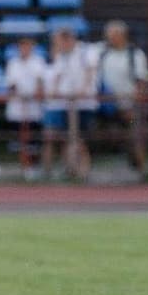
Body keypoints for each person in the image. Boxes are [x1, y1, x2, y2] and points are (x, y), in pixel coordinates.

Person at [95, 20, 148, 174]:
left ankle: (140, 169)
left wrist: (134, 105)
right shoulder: (102, 54)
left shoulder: (135, 54)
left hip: (129, 106)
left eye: (113, 35)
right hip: (106, 106)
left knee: (134, 135)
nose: (110, 38)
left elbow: (141, 82)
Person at [42, 26, 95, 181]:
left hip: (83, 104)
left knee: (79, 139)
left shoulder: (85, 52)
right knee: (68, 138)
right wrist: (54, 92)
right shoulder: (62, 56)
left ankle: (83, 171)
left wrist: (83, 90)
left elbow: (90, 72)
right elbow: (58, 77)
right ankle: (72, 170)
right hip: (67, 104)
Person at [3, 35, 48, 176]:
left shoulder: (39, 62)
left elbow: (41, 82)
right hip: (18, 107)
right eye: (22, 46)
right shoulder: (13, 63)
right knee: (20, 139)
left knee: (33, 139)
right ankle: (24, 167)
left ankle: (34, 167)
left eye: (28, 46)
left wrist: (36, 94)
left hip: (34, 107)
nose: (25, 49)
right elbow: (11, 85)